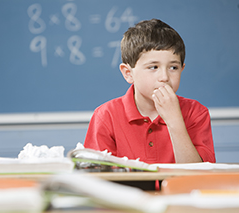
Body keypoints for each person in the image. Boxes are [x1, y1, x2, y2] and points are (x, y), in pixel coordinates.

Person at [84, 19, 215, 163]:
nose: (164, 77)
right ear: (128, 73)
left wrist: (174, 121)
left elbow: (198, 176)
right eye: (153, 67)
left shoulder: (196, 112)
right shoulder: (106, 116)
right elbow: (95, 177)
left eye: (173, 68)